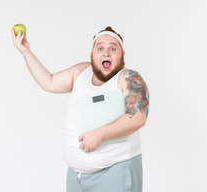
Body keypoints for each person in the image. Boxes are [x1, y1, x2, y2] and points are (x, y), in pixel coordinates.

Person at [12, 26, 149, 192]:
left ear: (122, 55)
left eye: (113, 48)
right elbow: (49, 81)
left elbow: (138, 116)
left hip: (115, 174)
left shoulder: (128, 78)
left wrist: (99, 134)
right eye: (100, 48)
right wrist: (26, 52)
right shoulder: (80, 72)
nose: (106, 53)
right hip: (77, 178)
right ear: (92, 54)